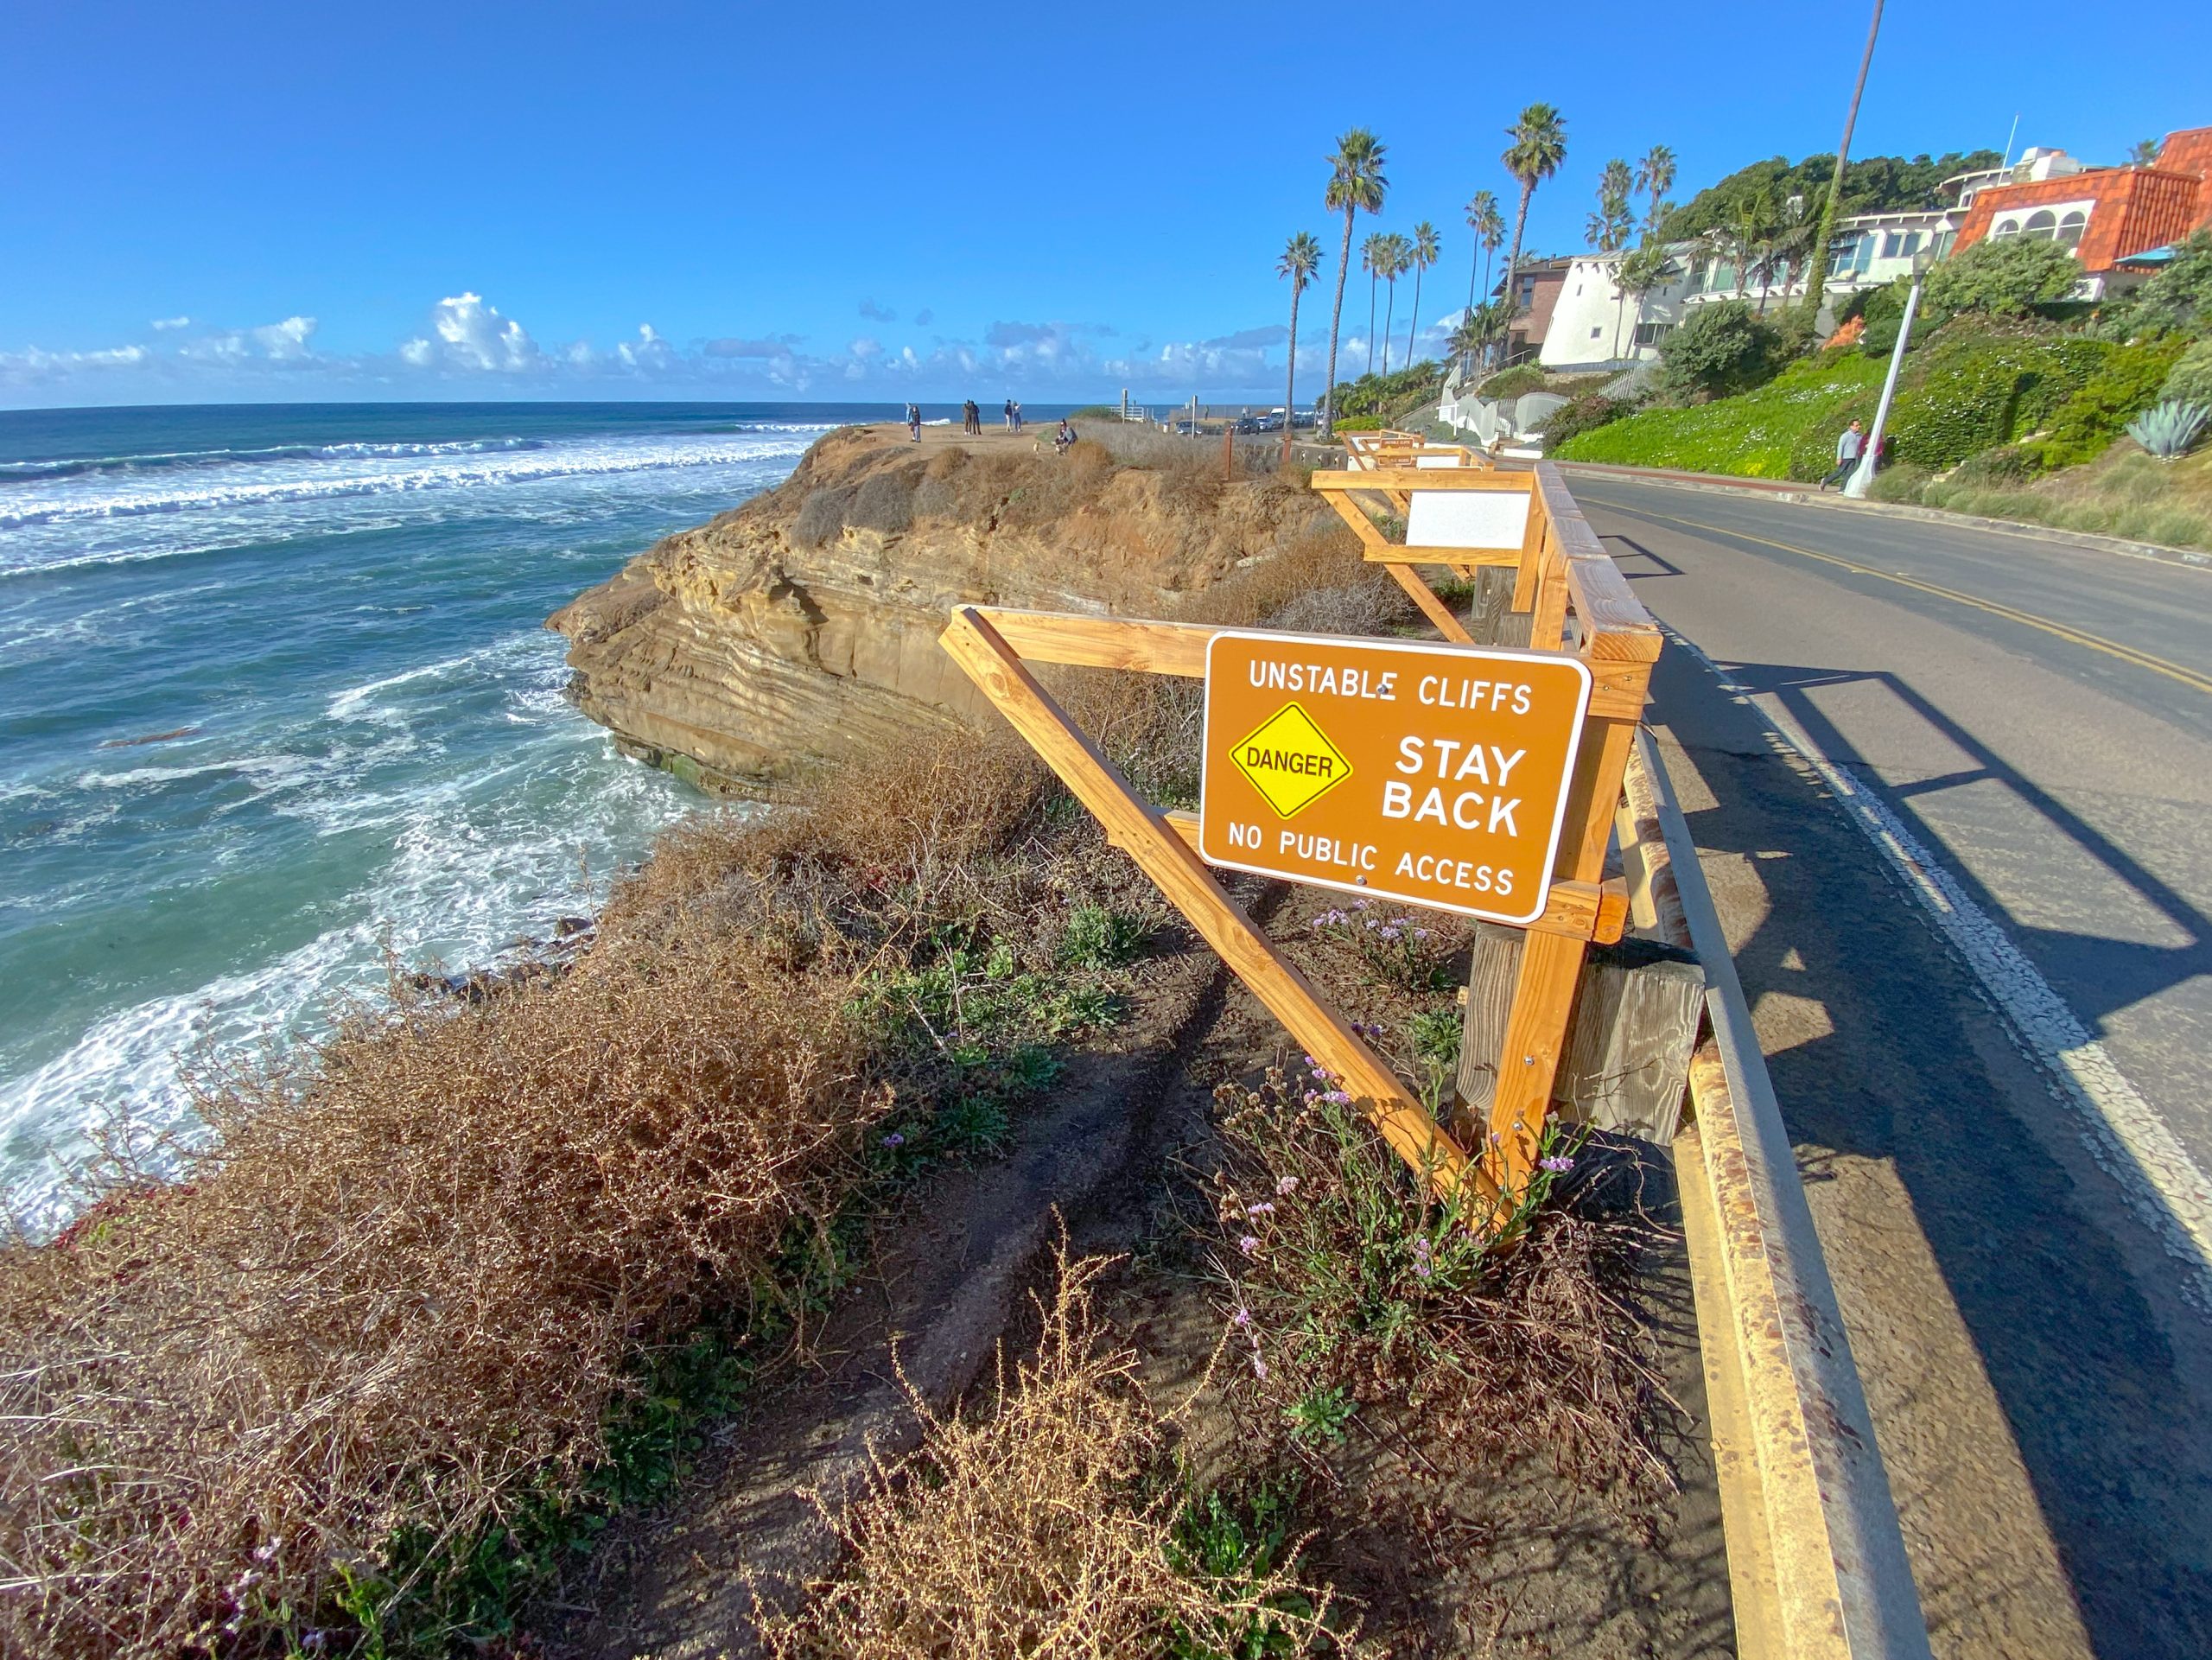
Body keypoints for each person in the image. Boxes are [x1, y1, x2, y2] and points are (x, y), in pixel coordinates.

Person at [1821, 418, 1866, 491]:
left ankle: (1843, 489)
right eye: (1856, 425)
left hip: (1853, 458)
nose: (1858, 427)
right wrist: (1839, 458)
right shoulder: (1846, 436)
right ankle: (1825, 480)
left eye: (1859, 425)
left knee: (1849, 474)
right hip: (1845, 457)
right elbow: (1840, 446)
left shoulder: (1859, 436)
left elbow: (1861, 446)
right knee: (1839, 472)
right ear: (1851, 426)